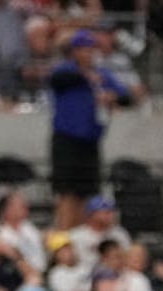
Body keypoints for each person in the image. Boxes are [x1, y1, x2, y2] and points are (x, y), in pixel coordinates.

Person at [48, 29, 131, 229]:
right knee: (66, 192)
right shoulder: (66, 70)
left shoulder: (103, 74)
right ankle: (63, 235)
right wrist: (86, 77)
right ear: (74, 51)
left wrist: (112, 97)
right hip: (67, 139)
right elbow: (57, 80)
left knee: (86, 192)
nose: (87, 53)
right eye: (82, 49)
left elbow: (125, 97)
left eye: (90, 49)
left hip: (90, 141)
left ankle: (78, 234)